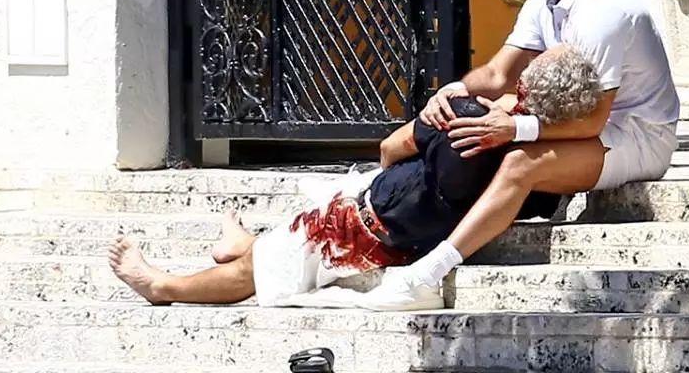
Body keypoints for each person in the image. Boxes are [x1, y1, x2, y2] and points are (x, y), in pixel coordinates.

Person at [358, 0, 680, 310]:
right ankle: (370, 195)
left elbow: (593, 120)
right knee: (454, 119)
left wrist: (515, 127)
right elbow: (497, 75)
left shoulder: (604, 10)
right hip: (575, 122)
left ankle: (427, 277)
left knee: (519, 163)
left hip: (636, 136)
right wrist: (452, 92)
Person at [108, 45, 602, 309]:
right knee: (278, 244)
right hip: (406, 232)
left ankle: (164, 286)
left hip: (368, 222)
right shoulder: (540, 162)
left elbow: (391, 147)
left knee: (257, 272)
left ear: (524, 85)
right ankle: (242, 242)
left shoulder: (465, 114)